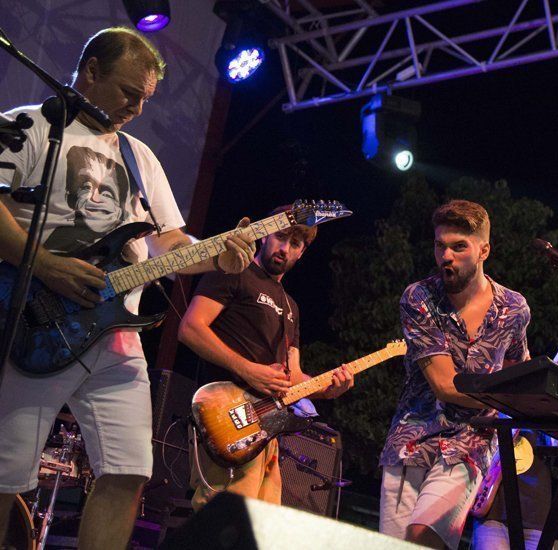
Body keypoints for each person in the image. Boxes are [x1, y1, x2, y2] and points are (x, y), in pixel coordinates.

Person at [0, 27, 256, 550]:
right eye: (128, 93)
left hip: (116, 339)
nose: (137, 109)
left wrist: (221, 251)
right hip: (35, 320)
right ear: (90, 71)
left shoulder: (141, 157)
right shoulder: (25, 128)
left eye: (146, 99)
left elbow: (168, 244)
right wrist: (47, 265)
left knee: (128, 471)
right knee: (5, 475)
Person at [178, 205, 354, 510]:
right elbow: (190, 328)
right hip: (226, 418)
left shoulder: (291, 306)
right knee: (221, 521)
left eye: (295, 244)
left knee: (258, 528)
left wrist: (328, 388)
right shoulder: (233, 271)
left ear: (302, 253)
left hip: (265, 430)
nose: (284, 249)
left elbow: (293, 377)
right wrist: (247, 369)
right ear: (263, 235)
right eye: (280, 237)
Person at [379, 200, 531, 549]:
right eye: (439, 245)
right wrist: (506, 397)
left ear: (483, 250)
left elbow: (518, 374)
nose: (446, 255)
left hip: (469, 443)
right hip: (411, 441)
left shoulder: (513, 308)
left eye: (458, 246)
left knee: (424, 537)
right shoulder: (419, 297)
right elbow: (446, 385)